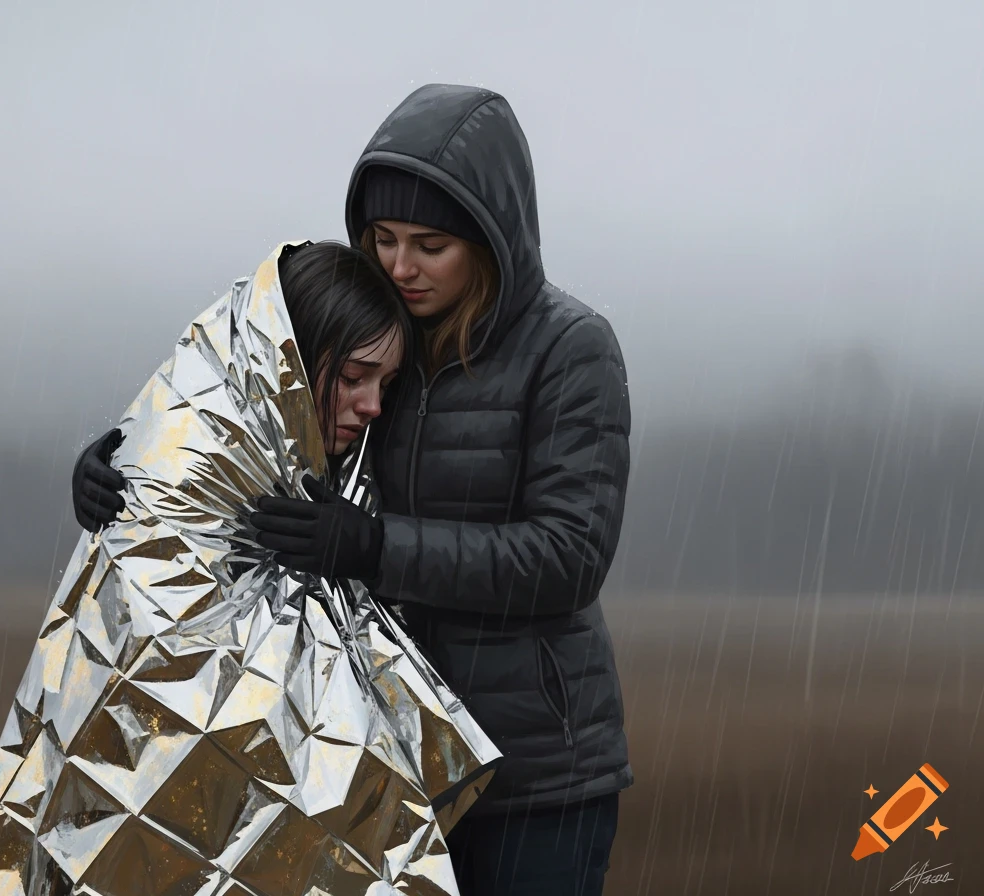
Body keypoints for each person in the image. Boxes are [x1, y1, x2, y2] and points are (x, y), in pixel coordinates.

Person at [71, 85, 632, 896]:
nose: (400, 266)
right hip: (371, 764)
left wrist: (376, 548)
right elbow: (245, 436)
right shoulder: (365, 334)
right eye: (383, 238)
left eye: (429, 245)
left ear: (491, 240)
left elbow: (568, 557)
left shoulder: (571, 350)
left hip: (535, 777)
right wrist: (125, 472)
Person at [73, 239, 412, 533]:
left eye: (386, 385)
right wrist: (138, 466)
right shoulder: (191, 465)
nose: (374, 406)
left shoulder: (380, 468)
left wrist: (377, 552)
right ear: (285, 365)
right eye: (352, 377)